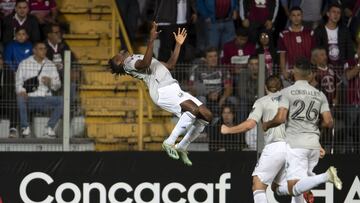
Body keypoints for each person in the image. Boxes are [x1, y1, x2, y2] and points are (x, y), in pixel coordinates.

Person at [108, 22, 213, 166]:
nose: (119, 53)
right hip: (162, 90)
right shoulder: (128, 64)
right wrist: (151, 39)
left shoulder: (136, 57)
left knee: (207, 115)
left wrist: (178, 45)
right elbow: (145, 64)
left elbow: (170, 65)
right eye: (116, 57)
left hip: (173, 87)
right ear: (119, 63)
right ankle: (169, 142)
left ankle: (182, 146)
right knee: (193, 111)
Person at [262, 58, 342, 201]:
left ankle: (326, 176)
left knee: (293, 187)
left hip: (296, 145)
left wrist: (267, 124)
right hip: (314, 146)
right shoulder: (320, 94)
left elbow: (280, 118)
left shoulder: (287, 92)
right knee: (295, 189)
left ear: (294, 74)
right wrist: (313, 128)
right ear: (310, 75)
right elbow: (329, 122)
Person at [222, 75, 305, 203]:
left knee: (258, 184)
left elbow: (249, 124)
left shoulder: (262, 101)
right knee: (279, 187)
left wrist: (228, 130)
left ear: (265, 88)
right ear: (282, 87)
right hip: (294, 147)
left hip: (276, 146)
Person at [16, 41, 62, 138]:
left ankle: (49, 128)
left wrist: (50, 82)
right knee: (20, 97)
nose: (44, 51)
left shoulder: (51, 64)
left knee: (63, 101)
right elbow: (18, 82)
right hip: (30, 98)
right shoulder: (24, 63)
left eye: (45, 49)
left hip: (45, 99)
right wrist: (22, 91)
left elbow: (58, 85)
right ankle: (25, 128)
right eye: (41, 49)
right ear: (34, 50)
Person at [3, 26, 32, 137]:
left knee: (25, 100)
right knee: (13, 100)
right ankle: (13, 127)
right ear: (15, 35)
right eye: (19, 34)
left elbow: (32, 61)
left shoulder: (30, 46)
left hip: (27, 77)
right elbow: (7, 60)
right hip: (13, 76)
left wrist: (24, 74)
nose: (21, 36)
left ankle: (25, 126)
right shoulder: (10, 45)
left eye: (23, 34)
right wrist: (17, 72)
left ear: (27, 36)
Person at [189, 46, 233, 116]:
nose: (213, 59)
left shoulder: (223, 69)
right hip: (204, 96)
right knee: (201, 99)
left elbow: (229, 87)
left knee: (233, 100)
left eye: (215, 56)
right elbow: (192, 88)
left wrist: (223, 98)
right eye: (210, 57)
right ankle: (202, 123)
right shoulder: (198, 69)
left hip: (219, 96)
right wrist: (208, 94)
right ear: (205, 59)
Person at [278, 6, 314, 84]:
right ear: (290, 17)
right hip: (290, 72)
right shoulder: (283, 34)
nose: (296, 18)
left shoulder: (310, 33)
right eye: (293, 15)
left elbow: (313, 54)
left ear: (302, 16)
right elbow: (282, 55)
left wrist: (312, 71)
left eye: (298, 15)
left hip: (306, 71)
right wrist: (284, 71)